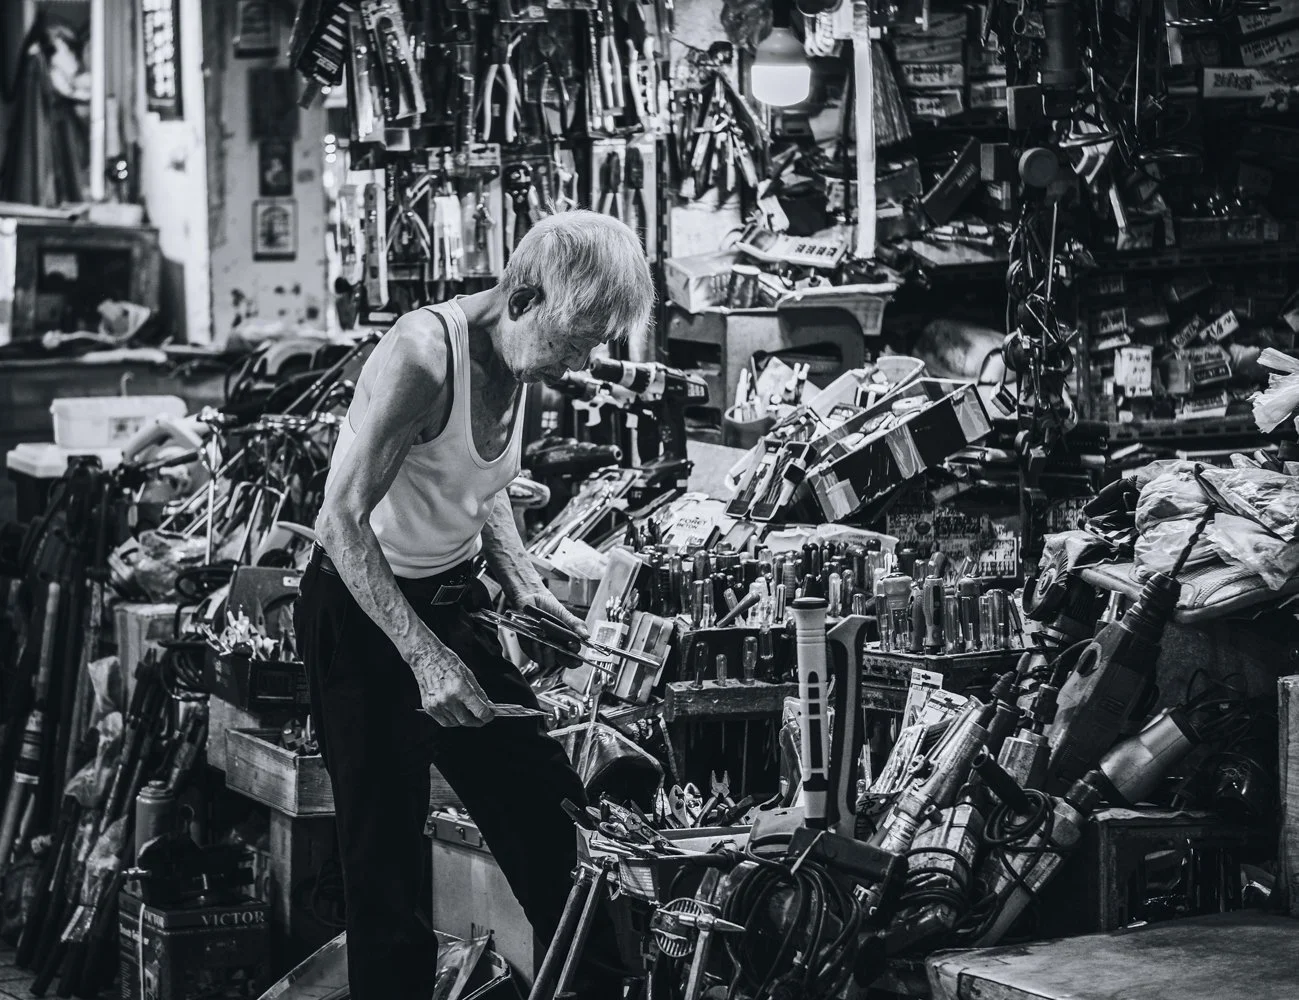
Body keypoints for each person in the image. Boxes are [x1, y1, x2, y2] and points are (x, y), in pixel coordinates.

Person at [296, 210, 654, 999]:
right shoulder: (423, 357)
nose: (579, 361)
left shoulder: (517, 356)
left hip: (448, 600)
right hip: (363, 613)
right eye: (576, 339)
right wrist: (423, 658)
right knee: (384, 857)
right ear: (523, 296)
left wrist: (522, 583)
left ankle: (602, 990)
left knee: (545, 809)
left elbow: (477, 483)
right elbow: (340, 520)